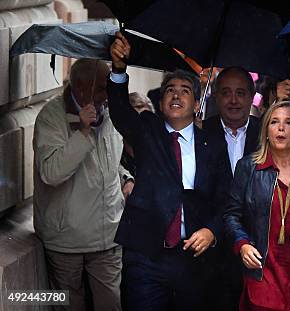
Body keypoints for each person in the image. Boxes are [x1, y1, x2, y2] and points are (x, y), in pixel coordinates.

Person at [108, 33, 228, 310]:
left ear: (197, 105)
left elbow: (226, 199)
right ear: (161, 102)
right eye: (170, 90)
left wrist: (211, 230)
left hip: (193, 258)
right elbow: (119, 110)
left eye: (185, 90)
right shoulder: (147, 129)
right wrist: (118, 70)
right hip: (146, 256)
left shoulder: (212, 144)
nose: (176, 94)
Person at [33, 58, 124, 311]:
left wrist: (125, 179)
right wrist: (82, 132)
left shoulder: (110, 111)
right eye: (104, 87)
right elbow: (51, 173)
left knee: (111, 304)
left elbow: (112, 162)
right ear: (83, 88)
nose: (109, 94)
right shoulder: (50, 117)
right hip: (67, 241)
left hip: (109, 236)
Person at [224, 101, 290, 311]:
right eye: (274, 122)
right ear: (266, 131)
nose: (281, 128)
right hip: (265, 274)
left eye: (289, 122)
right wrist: (243, 244)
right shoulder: (249, 167)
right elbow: (231, 215)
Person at [201, 66, 261, 310]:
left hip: (257, 246)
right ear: (216, 96)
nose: (234, 100)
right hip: (210, 249)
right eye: (226, 93)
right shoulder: (200, 131)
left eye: (240, 93)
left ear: (251, 96)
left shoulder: (267, 132)